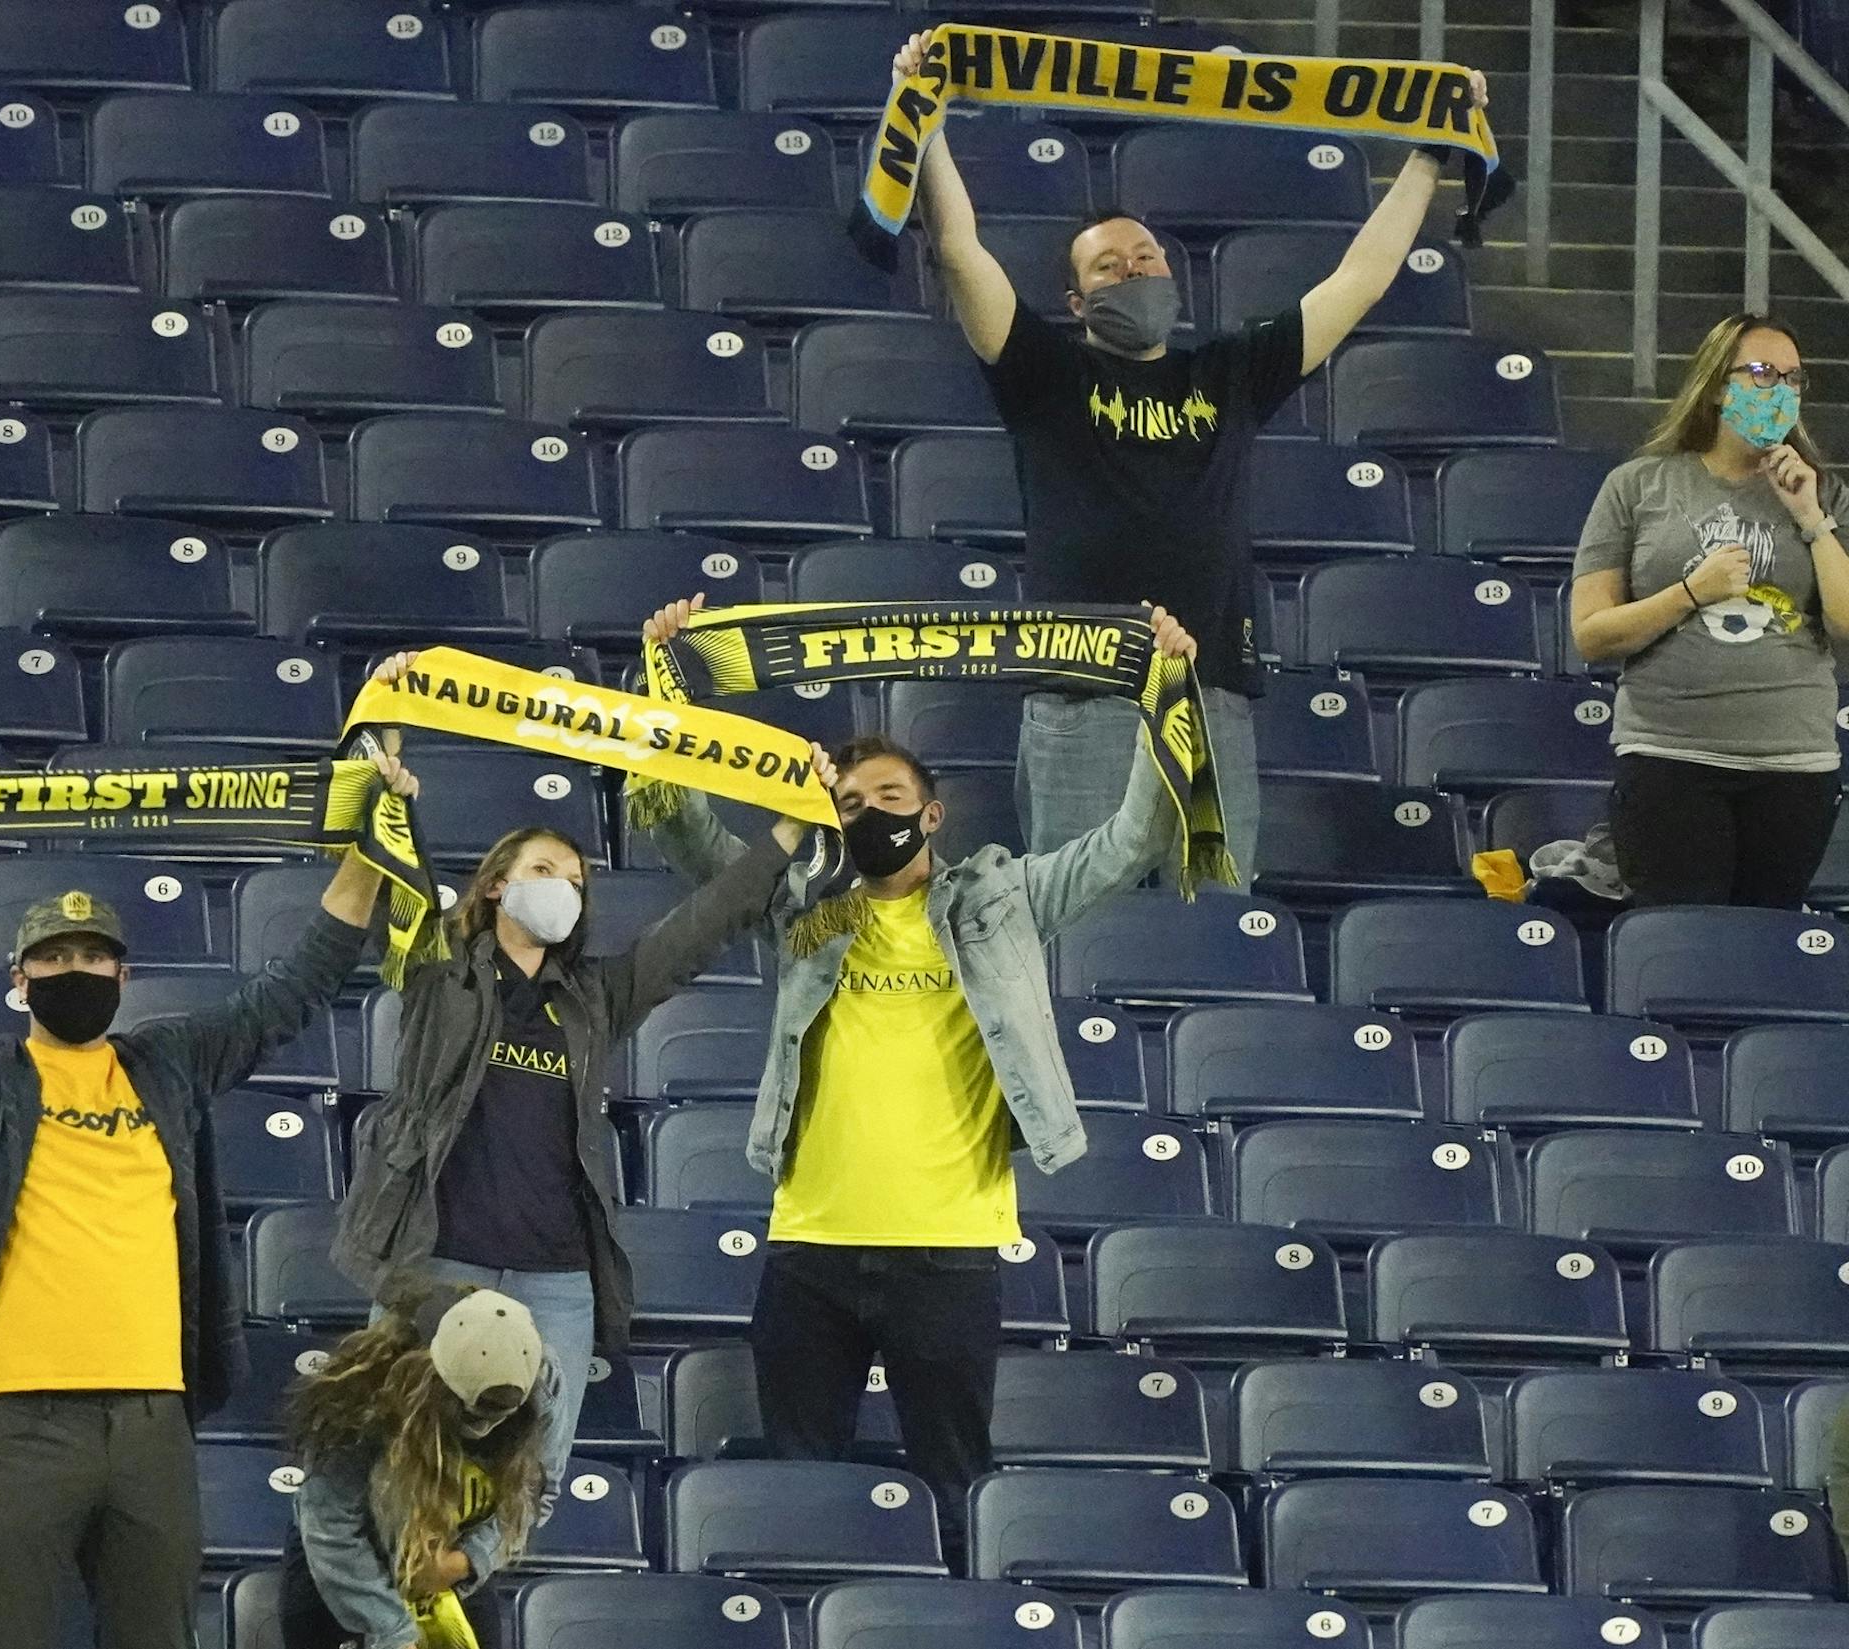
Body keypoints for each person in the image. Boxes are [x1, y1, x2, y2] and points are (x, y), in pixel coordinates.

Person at [0, 751, 420, 1649]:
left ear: (124, 978)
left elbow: (300, 983)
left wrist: (370, 832)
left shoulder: (171, 1066)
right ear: (19, 978)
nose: (75, 967)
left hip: (152, 1419)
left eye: (94, 955)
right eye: (54, 955)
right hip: (16, 1418)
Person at [642, 593, 1196, 1552]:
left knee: (955, 1491)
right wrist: (662, 678)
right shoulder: (805, 909)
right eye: (850, 804)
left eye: (890, 801)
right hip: (809, 1247)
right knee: (802, 1496)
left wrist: (1168, 694)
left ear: (932, 812)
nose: (870, 816)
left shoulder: (1006, 897)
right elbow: (683, 832)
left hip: (946, 1253)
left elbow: (1134, 838)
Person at [894, 27, 1489, 871]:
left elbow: (1359, 278)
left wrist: (1432, 155)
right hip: (1083, 695)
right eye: (1111, 268)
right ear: (1076, 298)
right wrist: (930, 118)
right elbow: (960, 251)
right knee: (1079, 923)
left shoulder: (1230, 375)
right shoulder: (1044, 374)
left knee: (1211, 926)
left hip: (1208, 698)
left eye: (1146, 257)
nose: (1135, 272)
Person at [331, 650, 836, 1550]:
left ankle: (467, 1597)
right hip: (432, 1257)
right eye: (542, 868)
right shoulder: (437, 970)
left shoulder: (595, 997)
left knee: (531, 1475)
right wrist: (383, 758)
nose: (562, 885)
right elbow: (394, 882)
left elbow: (701, 924)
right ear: (494, 883)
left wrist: (788, 837)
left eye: (575, 876)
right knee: (391, 1464)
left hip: (557, 1276)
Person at [1571, 312, 1849, 908]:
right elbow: (1592, 635)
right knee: (1682, 943)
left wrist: (1810, 519)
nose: (1780, 390)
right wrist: (1691, 592)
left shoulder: (1825, 494)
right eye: (1761, 373)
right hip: (1671, 754)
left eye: (1794, 379)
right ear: (1719, 385)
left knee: (1761, 954)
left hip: (1795, 763)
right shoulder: (1637, 485)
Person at [282, 1285, 558, 1649]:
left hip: (452, 1564)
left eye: (498, 1416)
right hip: (348, 1566)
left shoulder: (543, 1385)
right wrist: (392, 1630)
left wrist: (464, 1562)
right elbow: (332, 1528)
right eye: (469, 1412)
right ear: (431, 1372)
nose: (481, 1429)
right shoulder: (363, 1399)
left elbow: (528, 1495)